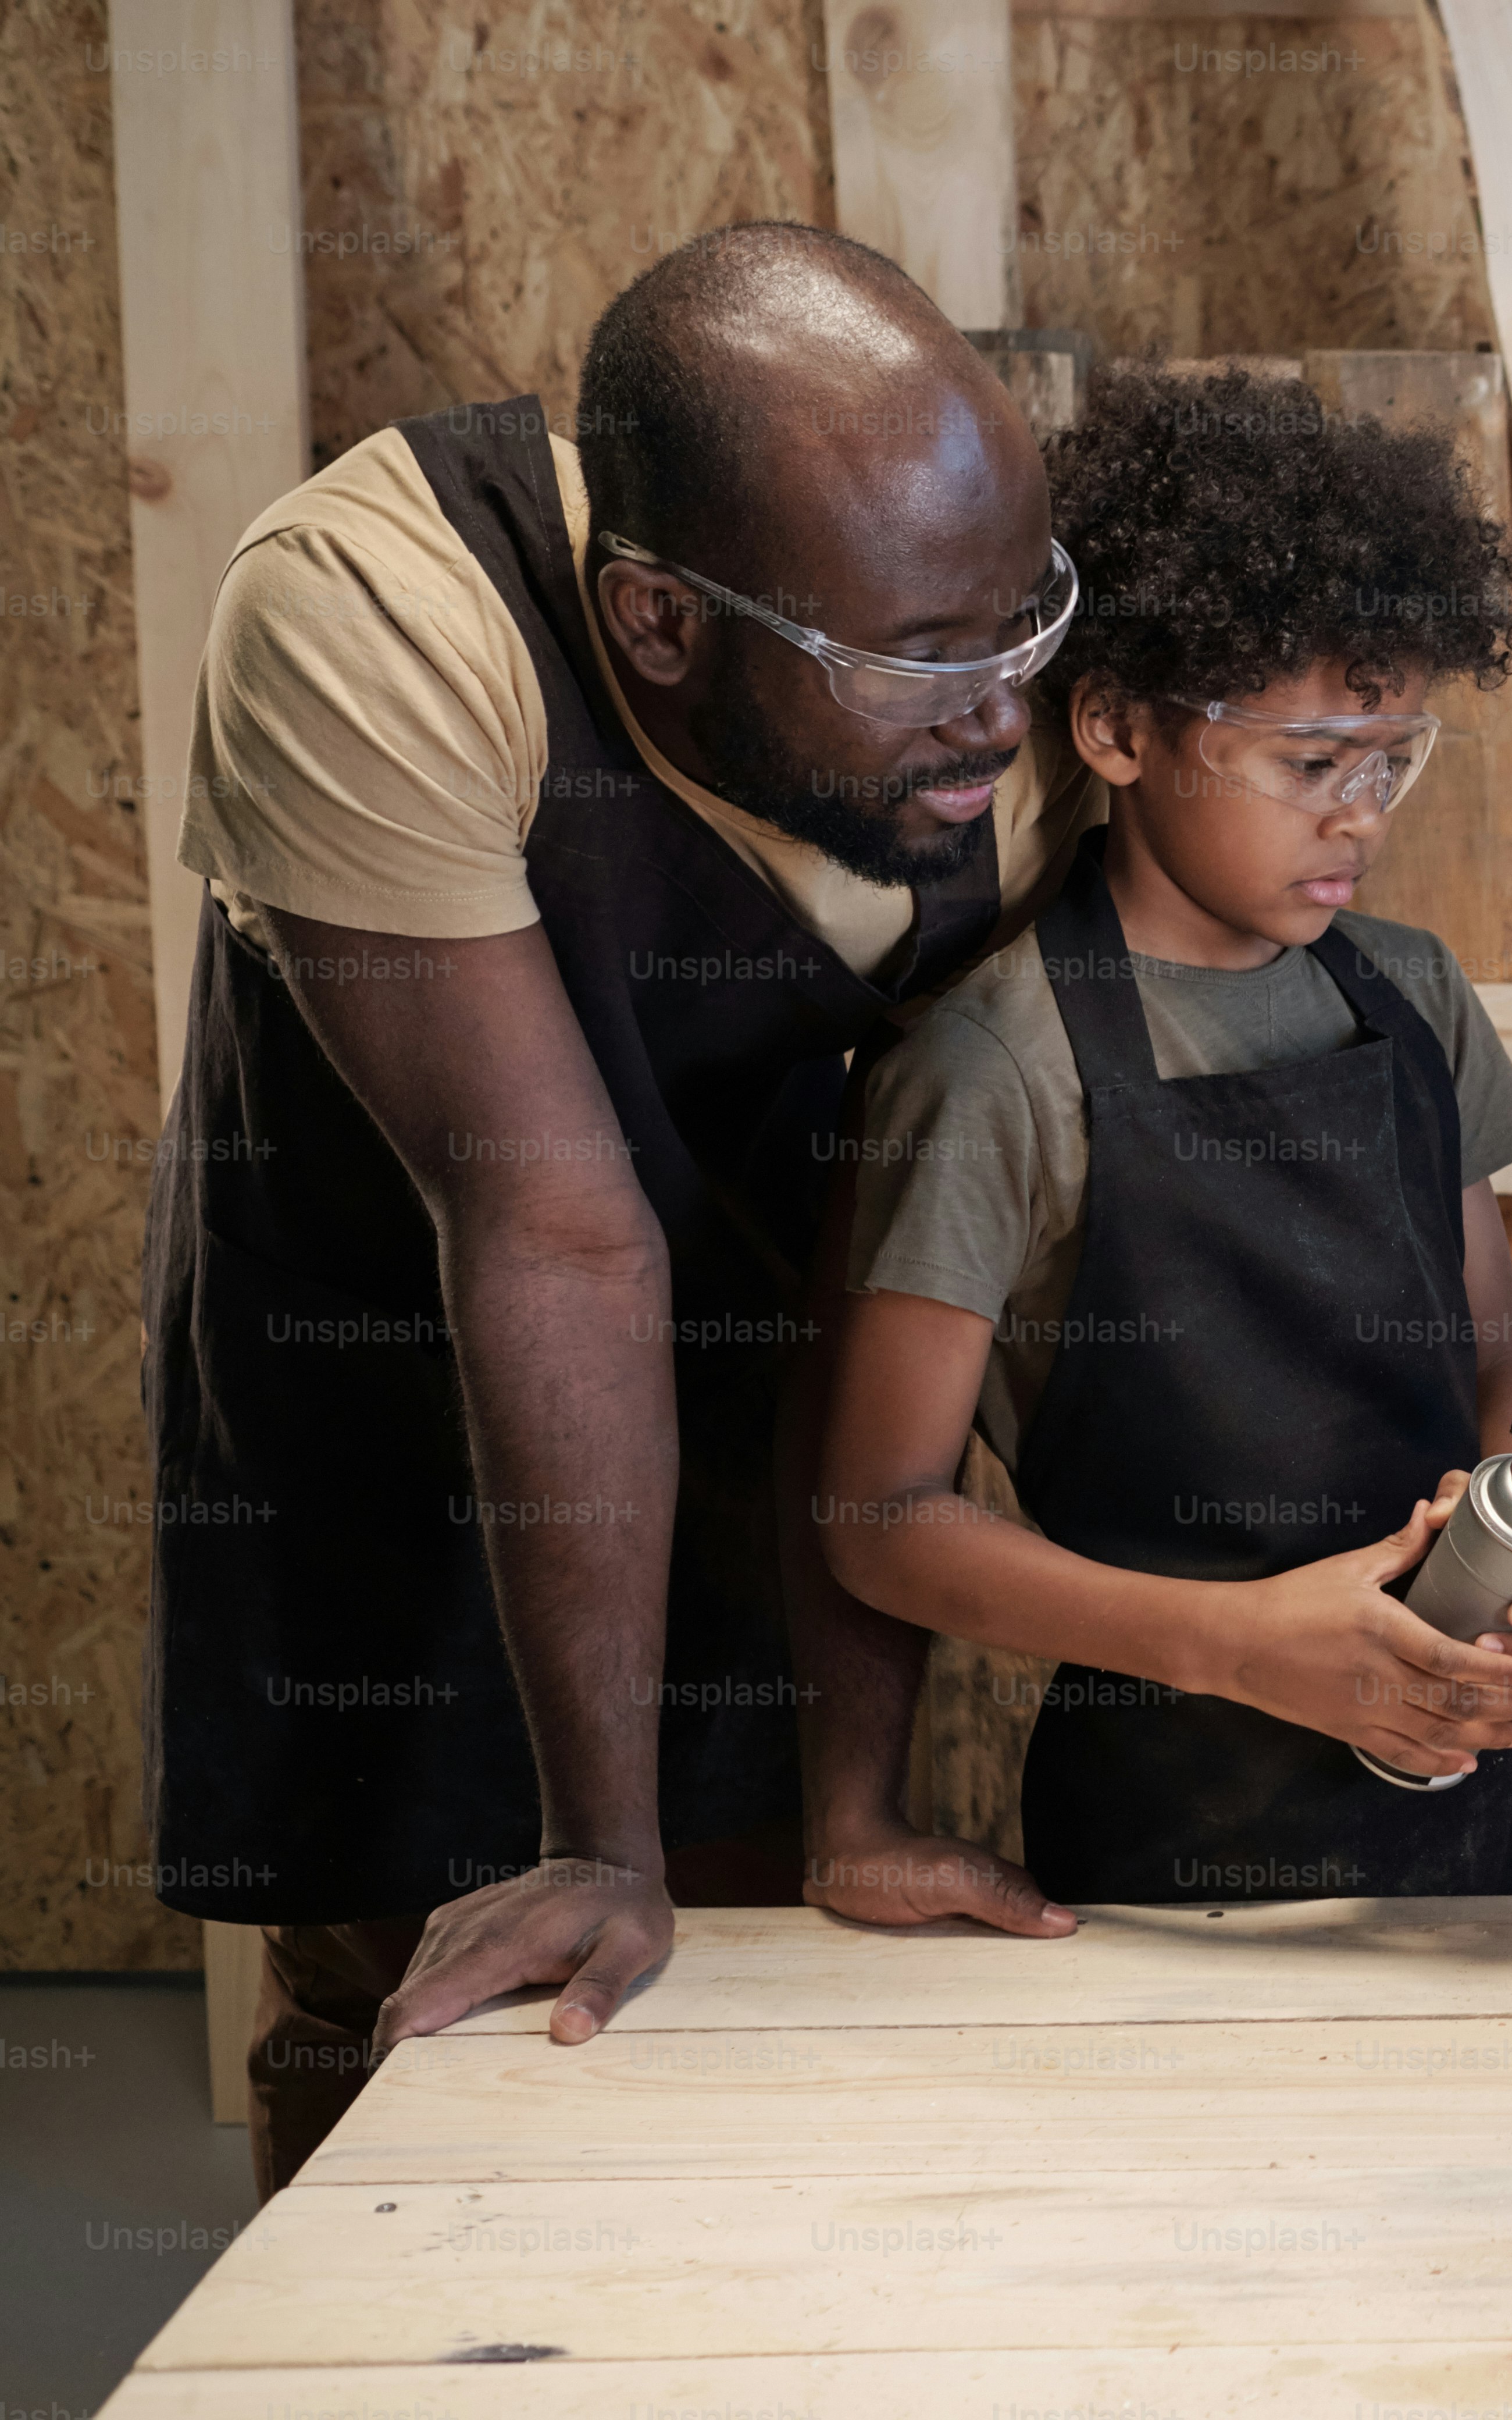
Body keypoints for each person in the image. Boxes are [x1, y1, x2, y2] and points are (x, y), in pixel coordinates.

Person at [142, 223, 1076, 2189]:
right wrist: (596, 1842)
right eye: (916, 661)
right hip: (405, 1324)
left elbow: (870, 1226)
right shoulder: (376, 611)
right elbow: (555, 1231)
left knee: (731, 1991)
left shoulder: (979, 618)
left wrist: (857, 1799)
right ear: (658, 623)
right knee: (425, 1967)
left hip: (736, 1342)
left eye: (1021, 624)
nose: (999, 714)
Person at [801, 361, 1512, 1904]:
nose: (1362, 815)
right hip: (1166, 1840)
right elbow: (880, 1519)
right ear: (1113, 726)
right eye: (1313, 764)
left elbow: (1497, 1354)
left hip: (1453, 1804)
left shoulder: (1411, 1000)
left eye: (1393, 760)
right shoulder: (1000, 1069)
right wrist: (1238, 1645)